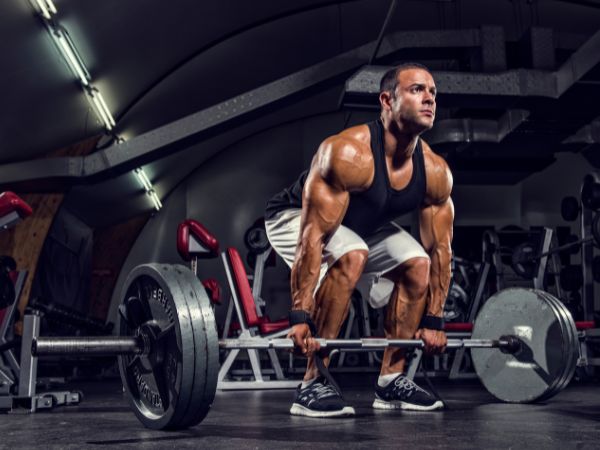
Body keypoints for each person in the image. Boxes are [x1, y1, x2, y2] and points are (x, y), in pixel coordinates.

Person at [264, 62, 453, 417]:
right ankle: (311, 382)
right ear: (387, 99)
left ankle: (391, 380)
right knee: (352, 252)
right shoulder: (349, 152)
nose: (429, 98)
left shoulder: (436, 172)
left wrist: (434, 320)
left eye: (432, 92)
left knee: (418, 264)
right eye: (417, 90)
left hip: (361, 227)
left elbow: (439, 249)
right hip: (294, 218)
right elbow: (313, 235)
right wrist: (300, 314)